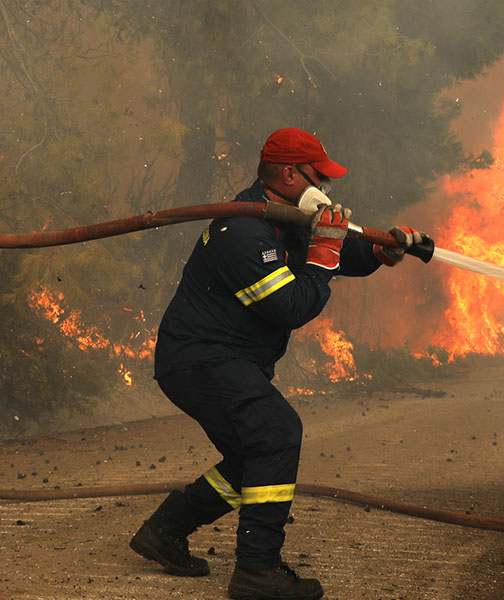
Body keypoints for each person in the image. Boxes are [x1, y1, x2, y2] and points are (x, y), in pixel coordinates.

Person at [129, 127, 422, 600]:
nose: (325, 189)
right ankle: (256, 573)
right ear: (289, 174)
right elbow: (291, 305)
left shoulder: (282, 221)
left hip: (221, 359)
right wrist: (324, 250)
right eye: (318, 178)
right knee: (277, 434)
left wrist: (376, 251)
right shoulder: (243, 233)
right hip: (200, 360)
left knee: (255, 456)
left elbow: (332, 251)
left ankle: (164, 532)